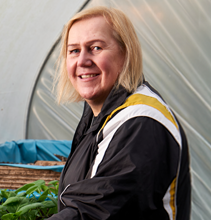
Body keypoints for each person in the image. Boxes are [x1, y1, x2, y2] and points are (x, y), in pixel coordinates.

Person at [47, 6, 191, 220]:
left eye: (95, 48)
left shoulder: (141, 122)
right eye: (74, 50)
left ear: (125, 54)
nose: (83, 61)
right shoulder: (100, 113)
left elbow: (94, 211)